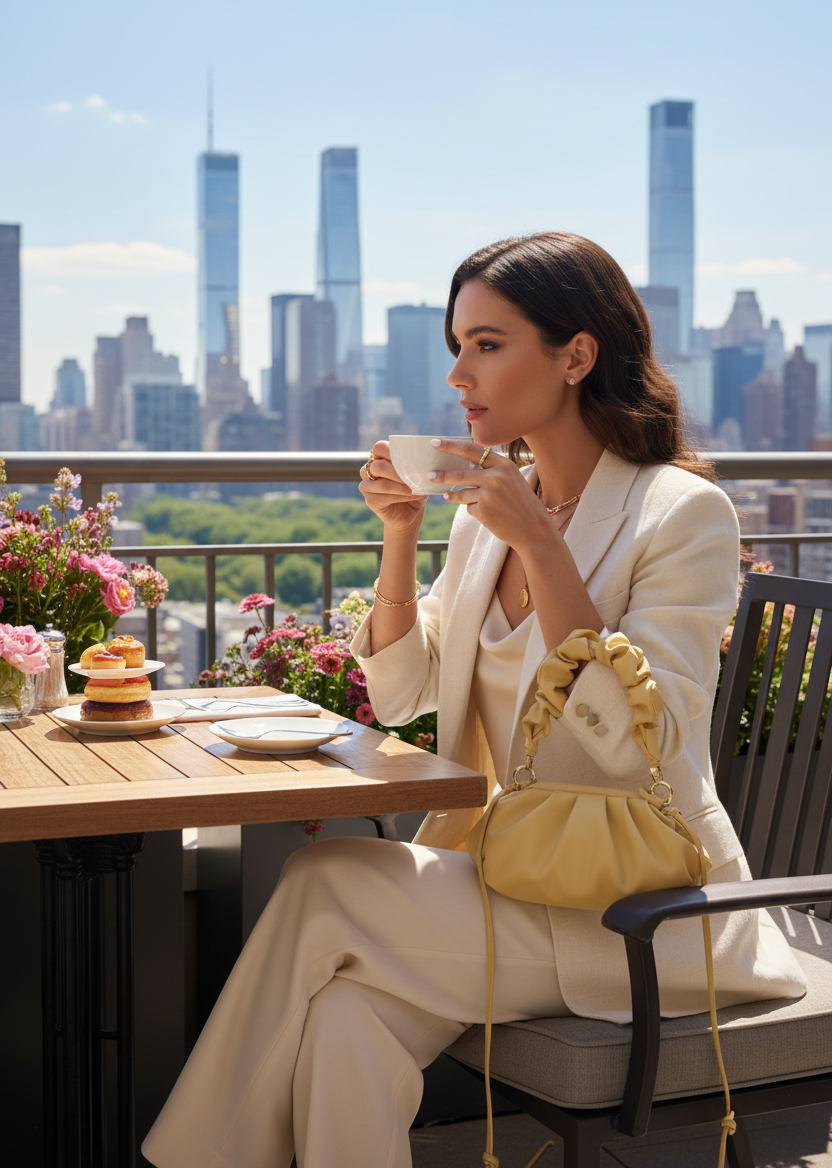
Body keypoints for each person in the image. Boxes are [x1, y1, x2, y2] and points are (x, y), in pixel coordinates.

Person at [143, 232, 805, 1168]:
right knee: (344, 1021)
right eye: (457, 345)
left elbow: (630, 745)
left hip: (640, 911)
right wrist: (401, 539)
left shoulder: (680, 514)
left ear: (576, 355)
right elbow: (404, 693)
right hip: (510, 878)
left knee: (324, 880)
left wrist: (544, 546)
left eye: (487, 344)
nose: (459, 373)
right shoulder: (484, 518)